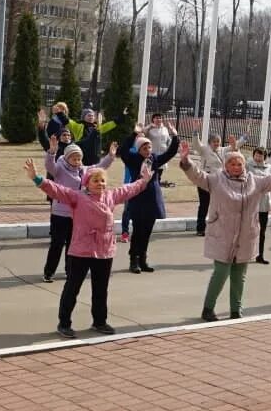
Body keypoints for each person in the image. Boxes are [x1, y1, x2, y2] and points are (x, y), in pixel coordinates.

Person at [25, 158, 152, 339]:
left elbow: (128, 190)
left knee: (101, 289)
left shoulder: (110, 196)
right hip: (81, 250)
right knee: (72, 288)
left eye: (102, 181)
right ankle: (64, 323)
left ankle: (99, 321)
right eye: (96, 180)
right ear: (87, 183)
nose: (100, 184)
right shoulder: (78, 197)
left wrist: (143, 181)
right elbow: (57, 190)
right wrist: (37, 178)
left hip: (104, 251)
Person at [178, 141, 271, 321]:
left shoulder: (254, 181)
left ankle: (236, 310)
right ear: (226, 165)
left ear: (244, 165)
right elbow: (198, 176)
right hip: (222, 234)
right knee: (221, 272)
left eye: (239, 164)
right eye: (232, 164)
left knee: (239, 275)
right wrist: (186, 161)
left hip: (245, 236)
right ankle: (208, 309)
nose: (236, 167)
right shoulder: (216, 179)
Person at [43, 139, 116, 282]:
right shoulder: (59, 168)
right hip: (60, 213)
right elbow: (49, 165)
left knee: (72, 244)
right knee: (57, 244)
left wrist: (110, 156)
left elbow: (100, 167)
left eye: (79, 158)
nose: (77, 161)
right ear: (67, 157)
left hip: (76, 214)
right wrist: (51, 152)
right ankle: (48, 272)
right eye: (74, 158)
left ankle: (68, 270)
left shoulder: (84, 170)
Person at [119, 128, 179, 273]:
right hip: (138, 199)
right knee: (138, 231)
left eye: (149, 147)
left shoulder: (154, 159)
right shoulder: (132, 159)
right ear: (139, 149)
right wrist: (134, 134)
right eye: (144, 147)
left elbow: (170, 153)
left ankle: (143, 260)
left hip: (152, 199)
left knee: (146, 232)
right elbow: (123, 150)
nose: (147, 150)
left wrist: (175, 136)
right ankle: (134, 260)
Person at [195, 133, 242, 236]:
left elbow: (235, 145)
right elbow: (196, 144)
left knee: (219, 205)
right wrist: (195, 132)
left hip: (219, 182)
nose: (216, 143)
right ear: (209, 142)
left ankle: (217, 227)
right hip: (205, 180)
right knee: (204, 204)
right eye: (214, 141)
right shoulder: (204, 150)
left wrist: (245, 136)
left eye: (218, 141)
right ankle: (200, 228)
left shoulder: (223, 150)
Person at [248, 147, 271, 264]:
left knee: (262, 231)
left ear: (264, 157)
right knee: (247, 230)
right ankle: (243, 254)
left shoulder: (269, 167)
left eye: (261, 155)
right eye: (256, 155)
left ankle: (260, 255)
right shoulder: (248, 166)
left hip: (264, 203)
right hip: (251, 203)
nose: (258, 157)